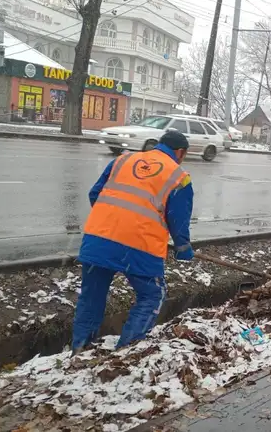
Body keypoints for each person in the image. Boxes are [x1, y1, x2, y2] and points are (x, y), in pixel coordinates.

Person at [72, 132, 195, 353]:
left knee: (91, 296)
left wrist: (113, 221)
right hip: (139, 246)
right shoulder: (179, 176)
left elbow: (95, 194)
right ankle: (126, 352)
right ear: (180, 152)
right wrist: (183, 247)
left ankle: (80, 348)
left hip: (98, 239)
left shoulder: (122, 160)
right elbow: (178, 219)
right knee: (152, 295)